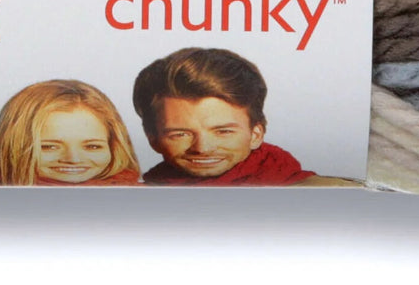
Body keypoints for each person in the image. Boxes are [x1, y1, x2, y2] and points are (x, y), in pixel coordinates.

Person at [131, 47, 315, 185]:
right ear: (152, 139)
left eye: (223, 131)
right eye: (180, 134)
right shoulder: (138, 198)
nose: (203, 148)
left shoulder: (318, 196)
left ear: (255, 135)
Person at [0, 80, 141, 185]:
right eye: (49, 147)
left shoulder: (140, 201)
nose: (73, 159)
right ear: (14, 147)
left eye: (92, 146)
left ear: (114, 146)